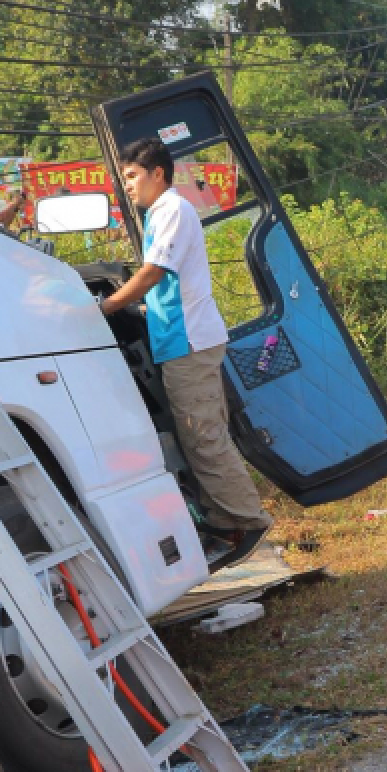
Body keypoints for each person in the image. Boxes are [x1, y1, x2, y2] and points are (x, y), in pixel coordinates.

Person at [101, 138, 273, 553]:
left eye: (132, 176)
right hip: (179, 338)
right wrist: (142, 311)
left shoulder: (173, 210)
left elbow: (151, 274)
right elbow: (165, 286)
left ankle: (247, 520)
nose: (128, 186)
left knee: (204, 436)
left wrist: (105, 306)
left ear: (157, 173)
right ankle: (222, 516)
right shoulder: (161, 213)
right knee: (202, 433)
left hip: (188, 341)